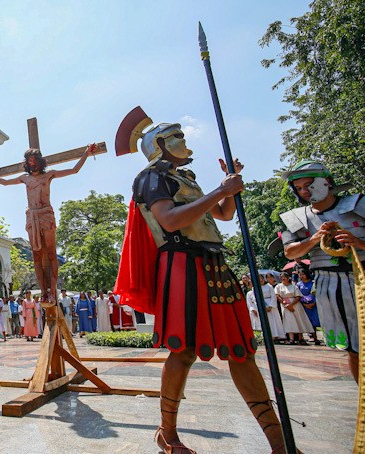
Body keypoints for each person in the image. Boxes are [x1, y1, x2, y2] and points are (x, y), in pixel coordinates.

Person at [114, 116, 289, 453]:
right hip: (181, 265)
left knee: (242, 351)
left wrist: (229, 187)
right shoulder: (150, 178)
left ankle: (279, 444)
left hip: (215, 264)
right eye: (175, 135)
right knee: (184, 351)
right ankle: (168, 433)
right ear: (159, 145)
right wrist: (221, 191)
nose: (183, 138)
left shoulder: (186, 179)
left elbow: (221, 215)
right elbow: (170, 219)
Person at [0, 144, 99, 303]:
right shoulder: (25, 178)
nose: (32, 164)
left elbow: (74, 170)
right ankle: (44, 291)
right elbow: (6, 183)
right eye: (29, 161)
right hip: (32, 216)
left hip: (45, 214)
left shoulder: (49, 175)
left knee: (51, 252)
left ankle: (53, 290)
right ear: (27, 163)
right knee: (36, 254)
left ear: (40, 161)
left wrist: (86, 153)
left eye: (34, 160)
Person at [280, 160, 363, 380]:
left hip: (361, 275)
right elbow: (290, 252)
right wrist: (315, 238)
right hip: (330, 286)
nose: (304, 191)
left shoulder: (359, 204)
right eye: (299, 188)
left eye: (309, 185)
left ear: (326, 181)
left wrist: (358, 242)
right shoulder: (297, 218)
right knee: (354, 349)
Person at [274, 272, 314, 345]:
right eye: (281, 277)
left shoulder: (294, 286)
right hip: (285, 304)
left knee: (298, 320)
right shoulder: (278, 286)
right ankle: (291, 338)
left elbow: (298, 296)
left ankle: (300, 338)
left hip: (295, 304)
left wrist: (291, 304)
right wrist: (285, 304)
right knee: (289, 321)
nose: (283, 279)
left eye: (284, 277)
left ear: (288, 277)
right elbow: (277, 295)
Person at [295, 269, 321, 345]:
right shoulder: (298, 285)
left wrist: (313, 303)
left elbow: (316, 293)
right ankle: (302, 338)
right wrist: (304, 304)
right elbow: (297, 295)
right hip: (303, 305)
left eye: (303, 274)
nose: (301, 276)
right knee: (303, 321)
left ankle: (315, 338)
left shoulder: (313, 283)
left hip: (313, 304)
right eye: (300, 274)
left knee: (314, 321)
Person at [259, 274, 286, 343]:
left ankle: (276, 336)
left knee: (274, 321)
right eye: (259, 279)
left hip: (271, 305)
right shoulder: (256, 288)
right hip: (262, 305)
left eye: (262, 278)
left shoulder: (269, 286)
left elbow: (273, 296)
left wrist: (270, 306)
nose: (261, 280)